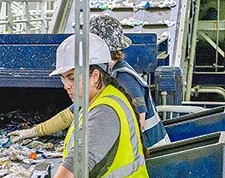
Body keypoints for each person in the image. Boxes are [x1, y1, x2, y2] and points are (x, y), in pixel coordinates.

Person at [10, 15, 169, 149]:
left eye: (72, 78)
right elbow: (69, 115)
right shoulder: (105, 76)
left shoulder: (124, 78)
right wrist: (32, 132)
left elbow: (136, 124)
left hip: (153, 155)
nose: (67, 85)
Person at [49, 34, 153, 178]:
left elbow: (77, 167)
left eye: (72, 78)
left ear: (95, 75)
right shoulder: (96, 100)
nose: (67, 86)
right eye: (64, 79)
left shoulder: (104, 111)